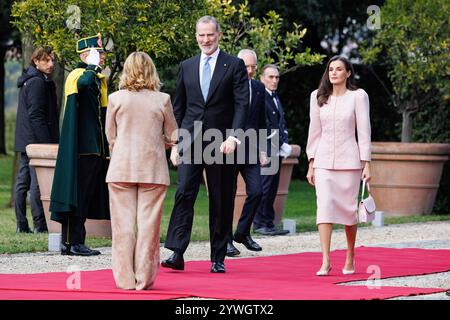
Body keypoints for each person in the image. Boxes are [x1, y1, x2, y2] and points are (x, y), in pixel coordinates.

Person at [161, 16, 248, 273]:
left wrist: (234, 137)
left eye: (210, 35)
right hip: (190, 139)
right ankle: (177, 251)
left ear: (219, 35)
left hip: (222, 143)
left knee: (221, 198)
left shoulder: (234, 65)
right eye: (201, 35)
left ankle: (218, 256)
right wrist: (176, 143)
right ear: (196, 36)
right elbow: (179, 106)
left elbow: (242, 104)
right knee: (184, 192)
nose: (205, 40)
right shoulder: (187, 66)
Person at [105, 52, 178, 290]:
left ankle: (125, 279)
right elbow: (172, 136)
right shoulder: (163, 99)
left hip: (121, 168)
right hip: (152, 170)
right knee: (149, 227)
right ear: (151, 71)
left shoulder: (115, 99)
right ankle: (144, 280)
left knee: (123, 227)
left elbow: (111, 137)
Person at [305, 55, 371, 276]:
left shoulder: (358, 97)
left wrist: (367, 164)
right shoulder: (317, 97)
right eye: (331, 69)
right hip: (323, 162)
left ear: (348, 73)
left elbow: (363, 132)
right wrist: (311, 163)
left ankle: (350, 254)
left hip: (350, 163)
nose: (333, 73)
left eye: (339, 69)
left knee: (348, 212)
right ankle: (325, 260)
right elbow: (314, 133)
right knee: (323, 208)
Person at [49, 34, 110, 256]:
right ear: (86, 55)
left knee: (83, 196)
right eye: (98, 54)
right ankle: (74, 242)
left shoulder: (94, 76)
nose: (102, 58)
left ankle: (72, 242)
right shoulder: (78, 75)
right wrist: (92, 66)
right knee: (79, 196)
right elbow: (83, 84)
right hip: (83, 148)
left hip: (93, 147)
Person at [14, 46, 59, 234]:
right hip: (35, 142)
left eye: (53, 60)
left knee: (23, 182)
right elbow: (36, 116)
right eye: (46, 60)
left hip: (27, 139)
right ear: (36, 61)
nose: (51, 64)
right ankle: (40, 225)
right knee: (37, 183)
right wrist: (45, 144)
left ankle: (22, 225)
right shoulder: (37, 82)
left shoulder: (34, 80)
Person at [226, 49, 266, 257]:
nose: (249, 71)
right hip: (228, 148)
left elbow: (260, 121)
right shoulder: (227, 85)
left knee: (257, 191)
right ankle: (224, 241)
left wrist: (262, 150)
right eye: (245, 66)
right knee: (228, 195)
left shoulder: (259, 88)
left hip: (250, 149)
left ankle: (242, 232)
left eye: (253, 67)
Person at [252, 64, 291, 236]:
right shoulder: (260, 96)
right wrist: (280, 142)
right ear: (261, 78)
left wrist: (284, 140)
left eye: (277, 77)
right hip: (266, 147)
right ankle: (259, 223)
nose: (274, 81)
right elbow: (262, 125)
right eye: (270, 77)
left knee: (273, 187)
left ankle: (268, 222)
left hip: (275, 148)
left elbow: (280, 122)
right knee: (265, 187)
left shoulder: (274, 97)